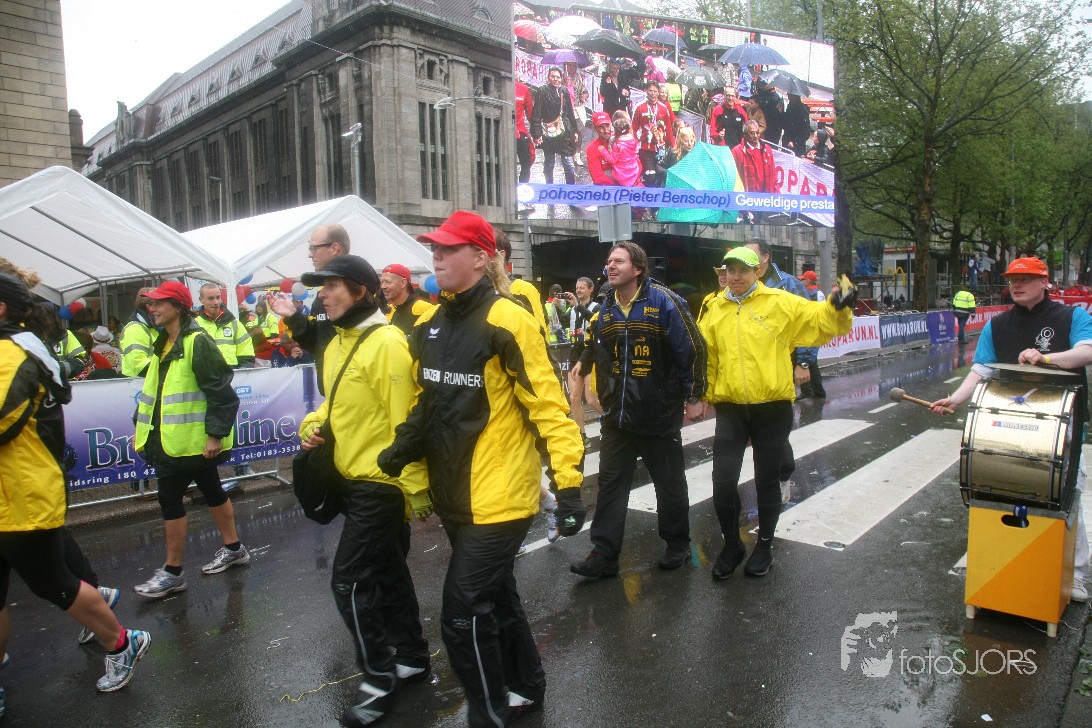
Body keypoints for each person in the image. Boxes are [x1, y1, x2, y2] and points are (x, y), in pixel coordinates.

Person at [377, 211, 584, 727]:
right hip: (453, 492)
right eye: (434, 248)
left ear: (480, 257)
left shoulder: (509, 319)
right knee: (497, 596)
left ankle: (487, 714)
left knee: (462, 613)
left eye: (448, 249)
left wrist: (568, 485)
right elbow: (427, 401)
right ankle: (527, 687)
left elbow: (548, 407)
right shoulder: (430, 322)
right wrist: (402, 448)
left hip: (501, 495)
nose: (437, 256)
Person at [0, 270, 151, 700]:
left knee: (52, 583)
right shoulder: (19, 347)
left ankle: (121, 642)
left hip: (22, 494)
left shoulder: (11, 353)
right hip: (15, 490)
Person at [298, 255, 432, 727]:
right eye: (321, 287)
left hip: (382, 485)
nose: (323, 294)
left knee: (349, 580)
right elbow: (335, 405)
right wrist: (312, 425)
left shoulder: (387, 343)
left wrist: (416, 490)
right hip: (350, 480)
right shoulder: (338, 341)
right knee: (389, 572)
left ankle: (379, 678)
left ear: (360, 290)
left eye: (332, 285)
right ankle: (411, 656)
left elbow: (406, 421)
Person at [929, 257, 1090, 603]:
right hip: (1012, 420)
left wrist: (1047, 358)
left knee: (1068, 491)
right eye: (1013, 280)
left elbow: (1086, 352)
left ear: (1044, 282)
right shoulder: (998, 324)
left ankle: (1075, 572)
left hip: (1062, 422)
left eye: (1026, 279)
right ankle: (1015, 563)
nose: (1017, 285)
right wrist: (956, 399)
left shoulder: (1071, 317)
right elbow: (982, 369)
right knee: (1012, 486)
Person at [697, 246, 852, 579]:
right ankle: (732, 545)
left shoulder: (780, 302)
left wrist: (837, 306)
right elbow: (707, 357)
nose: (736, 277)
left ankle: (764, 546)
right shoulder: (714, 307)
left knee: (767, 479)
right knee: (722, 481)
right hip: (731, 407)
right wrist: (701, 395)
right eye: (731, 270)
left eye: (743, 270)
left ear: (758, 272)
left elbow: (820, 322)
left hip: (773, 407)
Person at [570, 241, 707, 578]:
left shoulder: (664, 301)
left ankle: (677, 544)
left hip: (657, 413)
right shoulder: (607, 307)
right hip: (617, 416)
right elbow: (598, 344)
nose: (611, 266)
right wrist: (587, 365)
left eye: (619, 261)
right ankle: (604, 554)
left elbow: (693, 349)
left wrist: (694, 396)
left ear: (638, 268)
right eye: (609, 261)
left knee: (669, 484)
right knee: (610, 486)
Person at [132, 281, 249, 600]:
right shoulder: (164, 342)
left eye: (159, 303)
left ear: (178, 307)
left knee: (169, 499)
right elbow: (157, 392)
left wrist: (215, 434)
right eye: (150, 304)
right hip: (177, 441)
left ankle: (173, 573)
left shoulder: (197, 341)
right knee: (211, 489)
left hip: (189, 444)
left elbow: (223, 394)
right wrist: (143, 427)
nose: (152, 308)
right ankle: (234, 549)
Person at [746, 239, 817, 497]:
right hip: (751, 368)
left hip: (781, 367)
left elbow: (808, 324)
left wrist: (803, 362)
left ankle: (782, 475)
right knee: (754, 428)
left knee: (776, 427)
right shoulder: (742, 283)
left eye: (752, 255)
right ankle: (767, 478)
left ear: (766, 257)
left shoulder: (789, 284)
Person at [269, 223, 351, 393]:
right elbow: (316, 343)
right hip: (330, 389)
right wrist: (293, 316)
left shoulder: (359, 291)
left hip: (355, 392)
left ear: (335, 248)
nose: (309, 254)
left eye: (314, 248)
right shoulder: (321, 296)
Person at [561, 277, 602, 446]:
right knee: (574, 398)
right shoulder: (572, 309)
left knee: (591, 399)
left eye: (582, 288)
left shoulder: (597, 307)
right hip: (575, 355)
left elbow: (595, 321)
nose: (578, 290)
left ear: (591, 289)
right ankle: (582, 434)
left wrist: (578, 306)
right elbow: (562, 322)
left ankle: (610, 420)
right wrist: (558, 306)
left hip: (591, 355)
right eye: (577, 288)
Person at [531, 66, 579, 186]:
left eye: (558, 77)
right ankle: (549, 187)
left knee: (568, 163)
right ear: (548, 77)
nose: (555, 79)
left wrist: (574, 130)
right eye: (553, 76)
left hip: (565, 131)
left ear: (561, 78)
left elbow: (570, 112)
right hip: (549, 133)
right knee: (549, 162)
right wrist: (537, 134)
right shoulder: (542, 91)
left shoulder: (564, 91)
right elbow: (536, 113)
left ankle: (570, 190)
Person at [494, 228, 547, 331]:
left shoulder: (525, 290)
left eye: (484, 249)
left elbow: (540, 333)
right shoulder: (478, 291)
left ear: (500, 255)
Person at [194, 283, 255, 368]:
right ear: (201, 299)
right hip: (206, 374)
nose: (216, 302)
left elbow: (246, 351)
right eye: (211, 298)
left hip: (233, 373)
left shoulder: (234, 323)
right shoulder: (195, 325)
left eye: (218, 297)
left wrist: (243, 371)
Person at [632, 81, 675, 187]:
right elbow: (633, 129)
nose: (652, 93)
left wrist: (673, 147)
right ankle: (647, 195)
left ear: (658, 93)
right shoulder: (639, 107)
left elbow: (669, 130)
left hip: (661, 149)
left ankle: (657, 196)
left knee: (660, 176)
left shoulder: (664, 108)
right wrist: (633, 148)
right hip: (645, 148)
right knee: (649, 176)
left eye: (655, 91)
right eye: (650, 91)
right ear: (646, 91)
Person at [380, 263, 435, 335]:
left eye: (388, 282)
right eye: (382, 282)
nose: (383, 286)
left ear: (403, 283)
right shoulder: (388, 310)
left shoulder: (424, 308)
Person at [797, 270, 827, 399]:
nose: (800, 281)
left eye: (802, 279)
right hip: (812, 330)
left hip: (810, 331)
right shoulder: (818, 293)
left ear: (808, 281)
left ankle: (814, 391)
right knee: (810, 361)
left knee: (808, 361)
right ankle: (813, 391)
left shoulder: (811, 293)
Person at [120, 287, 157, 378]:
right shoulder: (135, 329)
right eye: (160, 304)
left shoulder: (152, 327)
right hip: (139, 383)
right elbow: (139, 366)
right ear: (149, 306)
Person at [732, 121, 777, 193]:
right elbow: (733, 176)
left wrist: (776, 193)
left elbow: (774, 175)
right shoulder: (737, 151)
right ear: (745, 135)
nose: (755, 136)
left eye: (757, 132)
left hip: (766, 196)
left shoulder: (767, 149)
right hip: (746, 196)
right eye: (752, 133)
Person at [563, 61, 589, 166]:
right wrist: (566, 85)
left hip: (577, 108)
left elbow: (585, 92)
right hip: (566, 109)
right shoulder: (562, 77)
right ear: (566, 66)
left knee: (578, 131)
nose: (572, 67)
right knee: (567, 132)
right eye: (569, 65)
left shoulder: (579, 77)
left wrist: (584, 96)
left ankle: (577, 155)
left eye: (574, 65)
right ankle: (568, 153)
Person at [609, 111, 642, 187]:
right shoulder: (631, 140)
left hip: (622, 176)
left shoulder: (617, 143)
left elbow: (612, 159)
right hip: (632, 173)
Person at [586, 111, 618, 186]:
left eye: (607, 125)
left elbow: (635, 165)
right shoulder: (592, 148)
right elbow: (598, 178)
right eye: (601, 127)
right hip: (608, 188)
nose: (606, 130)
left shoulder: (622, 141)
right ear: (595, 128)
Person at [515, 80, 535, 184]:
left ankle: (523, 187)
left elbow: (530, 113)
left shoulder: (523, 89)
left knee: (526, 162)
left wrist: (536, 134)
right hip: (504, 133)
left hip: (520, 133)